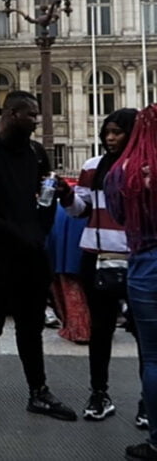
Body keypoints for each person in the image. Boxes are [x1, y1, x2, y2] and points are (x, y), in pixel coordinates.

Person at [0, 90, 76, 427]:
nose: (36, 121)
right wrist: (14, 232)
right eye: (31, 115)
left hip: (30, 253)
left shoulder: (37, 154)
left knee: (31, 326)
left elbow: (46, 197)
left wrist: (41, 229)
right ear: (11, 113)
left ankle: (38, 391)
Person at [61, 108, 141, 422]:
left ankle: (147, 401)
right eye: (107, 132)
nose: (109, 138)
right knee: (100, 331)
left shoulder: (146, 166)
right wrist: (66, 196)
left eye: (117, 132)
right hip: (96, 257)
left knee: (145, 334)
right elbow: (80, 211)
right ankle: (99, 393)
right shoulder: (92, 166)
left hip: (137, 259)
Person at [105, 104, 157, 460]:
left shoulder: (122, 172)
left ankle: (156, 440)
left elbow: (119, 214)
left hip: (146, 265)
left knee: (152, 358)